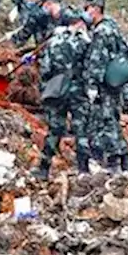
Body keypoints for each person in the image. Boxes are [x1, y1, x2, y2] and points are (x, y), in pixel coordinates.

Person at [33, 11, 93, 178]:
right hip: (78, 90)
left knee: (55, 130)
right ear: (79, 24)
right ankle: (84, 170)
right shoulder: (86, 42)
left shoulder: (54, 41)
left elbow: (45, 69)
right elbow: (91, 67)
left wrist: (46, 89)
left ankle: (44, 168)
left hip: (58, 89)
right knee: (81, 129)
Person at [83, 0, 128, 172]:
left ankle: (111, 162)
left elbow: (97, 61)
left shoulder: (101, 32)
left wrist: (92, 86)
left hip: (104, 85)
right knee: (112, 119)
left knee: (103, 122)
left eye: (87, 9)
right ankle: (125, 160)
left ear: (95, 9)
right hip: (115, 82)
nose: (85, 13)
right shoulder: (112, 27)